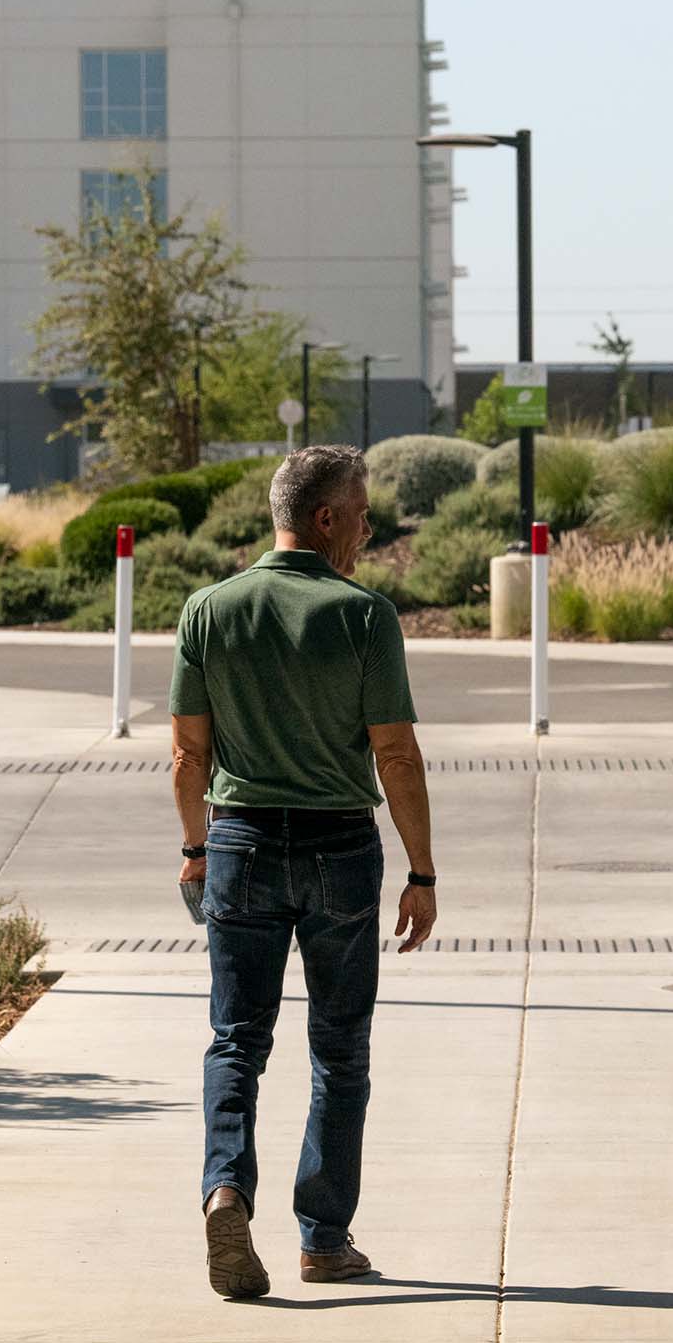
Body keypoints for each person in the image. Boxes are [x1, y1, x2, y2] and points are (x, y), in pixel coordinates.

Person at [171, 444, 439, 1301]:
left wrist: (194, 848)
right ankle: (323, 1237)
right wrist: (422, 869)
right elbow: (394, 752)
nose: (369, 524)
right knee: (339, 1050)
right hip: (338, 850)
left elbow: (186, 752)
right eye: (361, 511)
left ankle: (225, 1189)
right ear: (324, 518)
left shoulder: (209, 608)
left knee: (236, 1039)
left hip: (240, 841)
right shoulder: (364, 614)